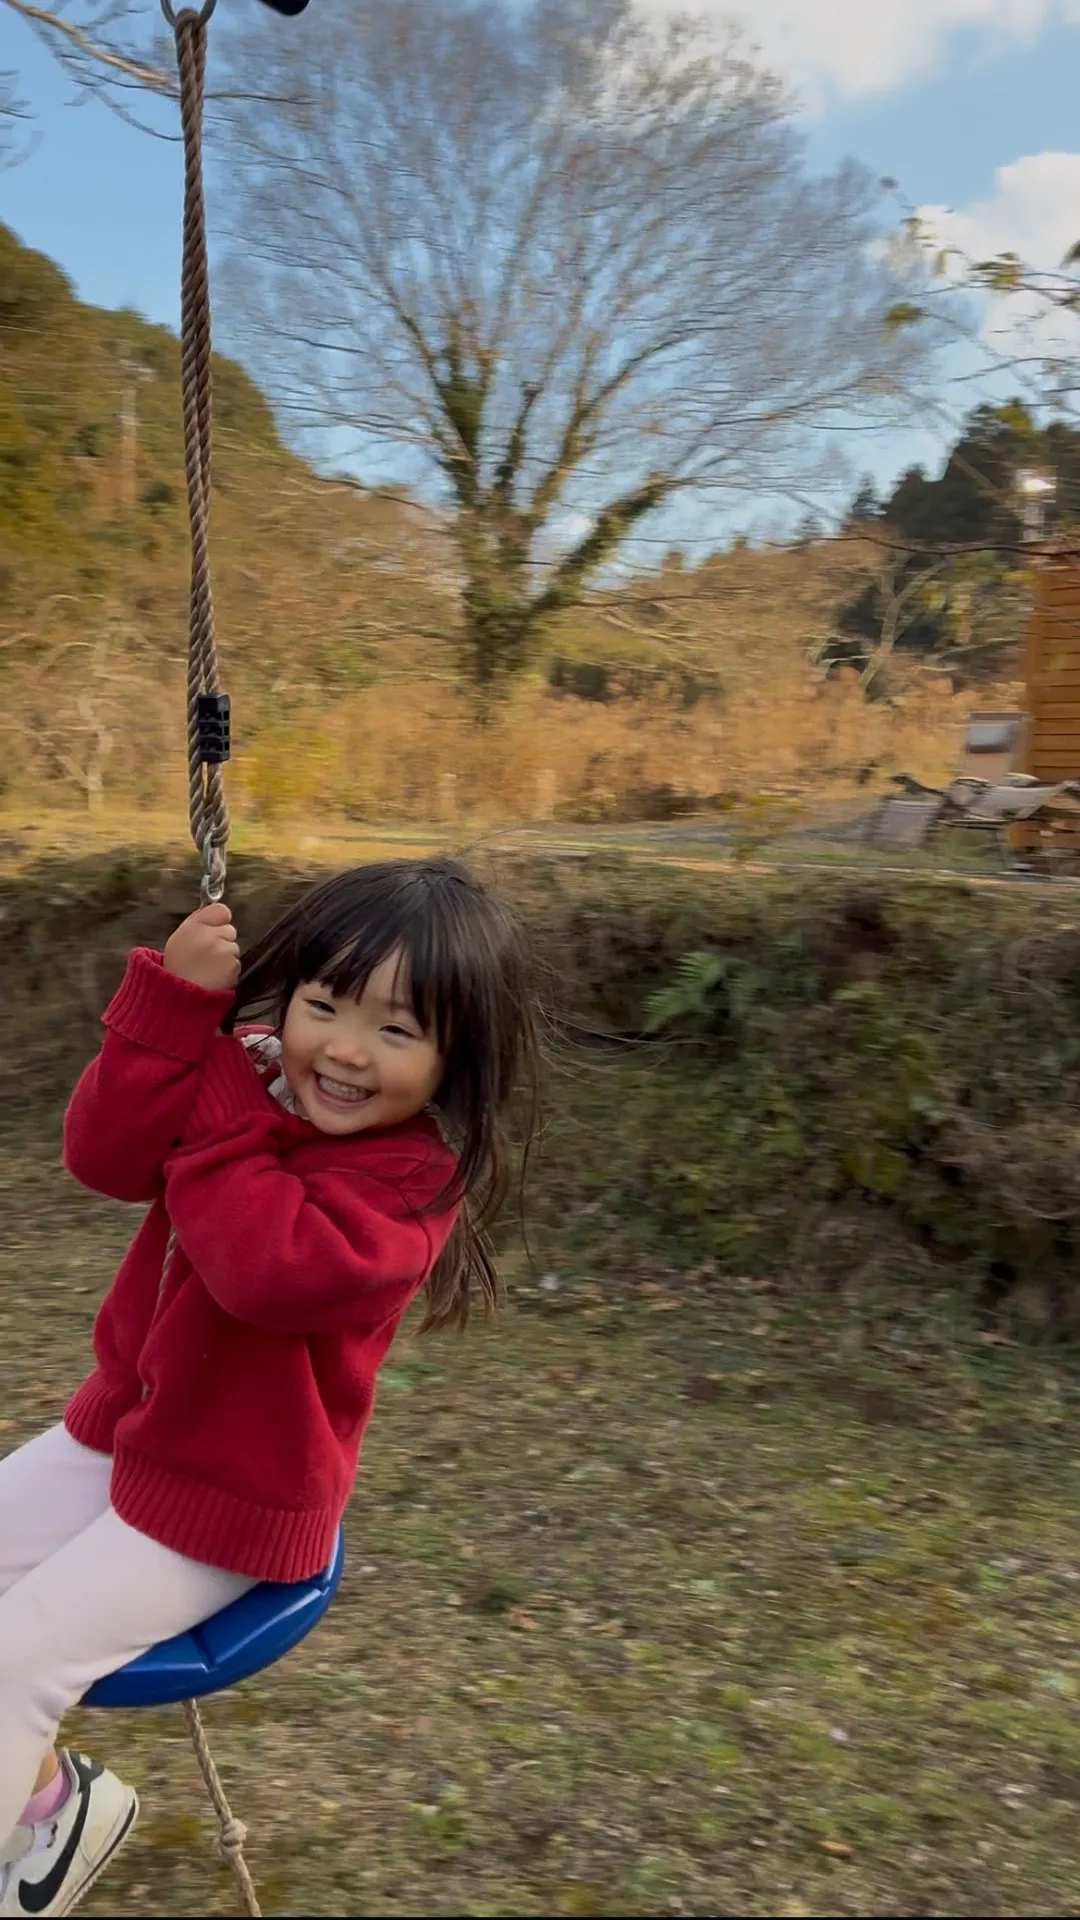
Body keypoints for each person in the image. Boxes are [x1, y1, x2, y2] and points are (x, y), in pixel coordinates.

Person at [0, 856, 539, 1917]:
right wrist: (172, 1012)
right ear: (285, 995)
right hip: (128, 1432)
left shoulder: (409, 1183)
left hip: (233, 1499)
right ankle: (54, 1806)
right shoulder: (250, 1071)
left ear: (454, 1059)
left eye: (396, 1030)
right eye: (325, 1004)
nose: (342, 1050)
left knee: (18, 1656)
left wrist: (215, 1098)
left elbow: (266, 1270)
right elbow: (105, 1159)